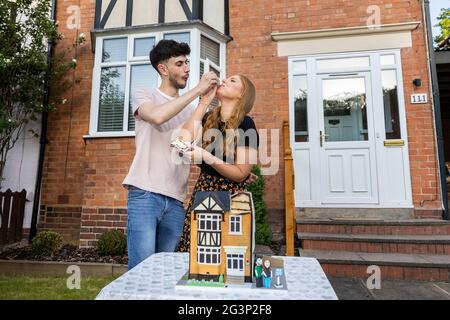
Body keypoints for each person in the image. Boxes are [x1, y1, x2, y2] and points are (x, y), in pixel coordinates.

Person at [122, 39, 219, 270]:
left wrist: (204, 102)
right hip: (145, 194)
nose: (187, 68)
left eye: (187, 63)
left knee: (165, 273)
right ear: (163, 69)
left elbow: (185, 148)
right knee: (141, 271)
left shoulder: (190, 111)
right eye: (179, 63)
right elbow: (156, 117)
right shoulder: (144, 95)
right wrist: (197, 91)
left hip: (176, 201)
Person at [177, 74, 259, 252]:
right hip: (202, 192)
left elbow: (240, 174)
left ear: (242, 94)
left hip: (229, 198)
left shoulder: (246, 124)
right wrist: (205, 101)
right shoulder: (209, 118)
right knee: (196, 251)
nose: (224, 80)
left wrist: (206, 157)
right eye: (226, 78)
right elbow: (181, 142)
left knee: (222, 253)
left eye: (232, 80)